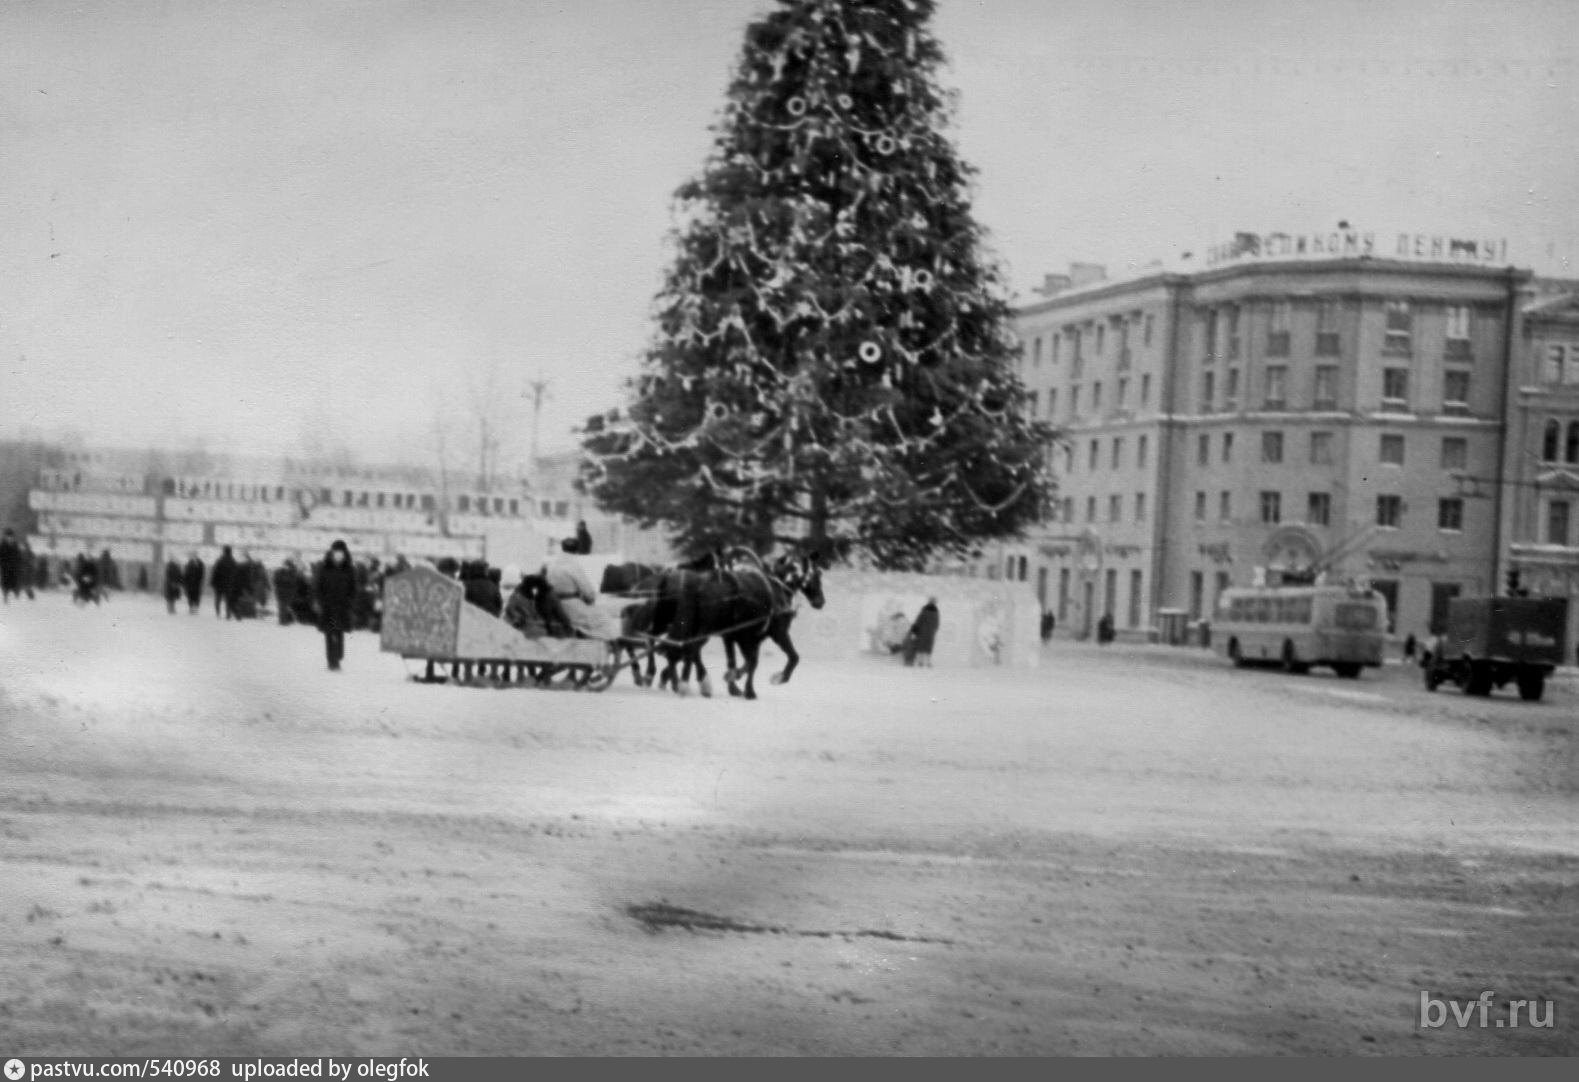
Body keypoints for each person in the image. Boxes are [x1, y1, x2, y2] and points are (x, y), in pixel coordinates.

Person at [542, 538, 618, 639]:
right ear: (577, 550)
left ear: (562, 548)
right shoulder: (573, 565)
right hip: (570, 607)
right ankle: (605, 645)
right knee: (603, 618)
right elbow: (588, 592)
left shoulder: (551, 565)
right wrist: (589, 600)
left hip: (552, 605)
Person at [314, 539, 357, 672]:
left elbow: (353, 588)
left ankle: (338, 656)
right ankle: (331, 661)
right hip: (327, 605)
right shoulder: (324, 567)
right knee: (329, 632)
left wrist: (351, 601)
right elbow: (317, 586)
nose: (338, 554)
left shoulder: (349, 568)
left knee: (339, 632)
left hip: (342, 606)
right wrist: (318, 601)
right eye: (336, 552)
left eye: (341, 552)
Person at [908, 597, 940, 668]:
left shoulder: (925, 610)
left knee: (921, 646)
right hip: (930, 632)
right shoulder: (936, 611)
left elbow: (918, 620)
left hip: (923, 631)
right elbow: (937, 623)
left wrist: (914, 630)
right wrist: (935, 629)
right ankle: (927, 662)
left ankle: (921, 661)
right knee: (928, 647)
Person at [211, 546, 237, 618]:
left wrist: (213, 582)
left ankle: (218, 613)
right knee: (228, 599)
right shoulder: (233, 561)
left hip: (219, 583)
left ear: (224, 551)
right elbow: (236, 573)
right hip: (229, 584)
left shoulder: (219, 560)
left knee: (218, 598)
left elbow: (215, 572)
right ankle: (228, 614)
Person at [0, 528, 23, 602]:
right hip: (5, 568)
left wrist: (19, 564)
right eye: (8, 536)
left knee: (15, 582)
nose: (10, 538)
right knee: (5, 582)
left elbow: (19, 556)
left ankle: (17, 595)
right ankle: (5, 596)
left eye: (11, 537)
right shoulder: (2, 545)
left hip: (14, 567)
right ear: (5, 537)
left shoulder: (16, 545)